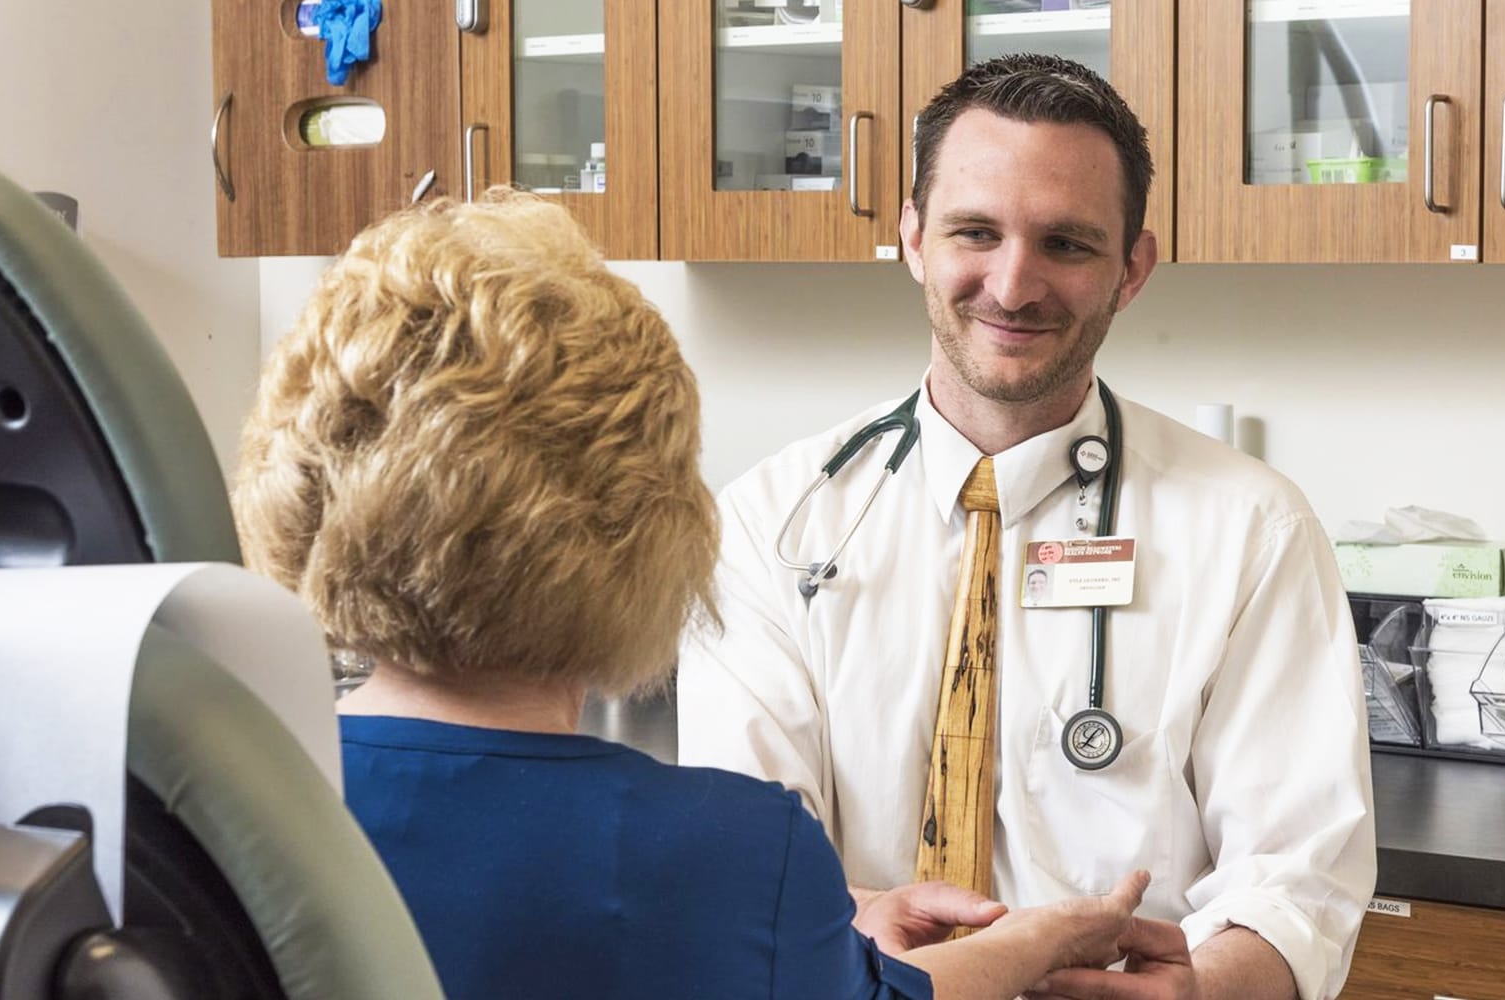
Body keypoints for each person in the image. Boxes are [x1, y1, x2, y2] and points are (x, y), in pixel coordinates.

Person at [230, 190, 1162, 1000]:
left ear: (306, 478)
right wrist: (1032, 942)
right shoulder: (725, 853)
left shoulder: (217, 802)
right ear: (642, 517)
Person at [677, 54, 1375, 1000]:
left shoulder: (1251, 529)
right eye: (975, 231)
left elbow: (1302, 878)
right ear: (914, 240)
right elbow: (744, 849)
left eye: (1068, 244)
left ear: (1134, 268)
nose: (1013, 286)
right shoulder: (774, 519)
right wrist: (846, 912)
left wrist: (1204, 989)